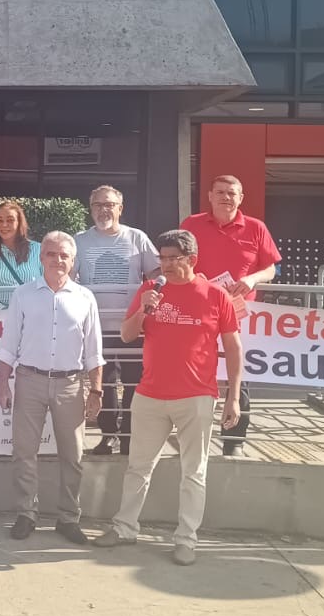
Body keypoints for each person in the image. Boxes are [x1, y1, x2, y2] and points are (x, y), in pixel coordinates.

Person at [93, 229, 243, 566]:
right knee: (138, 467)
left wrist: (233, 397)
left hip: (196, 397)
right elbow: (127, 335)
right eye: (162, 258)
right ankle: (124, 527)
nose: (167, 265)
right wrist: (144, 310)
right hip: (149, 395)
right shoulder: (149, 290)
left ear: (192, 259)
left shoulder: (216, 296)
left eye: (174, 258)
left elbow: (233, 348)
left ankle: (186, 539)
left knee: (193, 471)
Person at [0, 232, 103, 545]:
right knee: (24, 452)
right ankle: (27, 513)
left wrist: (96, 390)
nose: (58, 260)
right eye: (51, 254)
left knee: (73, 455)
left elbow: (94, 350)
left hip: (71, 384)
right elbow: (9, 343)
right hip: (29, 381)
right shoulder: (23, 294)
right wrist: (3, 383)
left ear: (72, 260)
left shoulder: (85, 298)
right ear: (41, 259)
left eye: (64, 255)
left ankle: (69, 518)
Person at [180, 174, 280, 456]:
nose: (226, 197)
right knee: (196, 375)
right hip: (198, 312)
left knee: (237, 378)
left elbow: (271, 270)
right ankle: (193, 440)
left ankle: (233, 442)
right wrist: (193, 275)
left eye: (231, 193)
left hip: (238, 316)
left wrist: (251, 279)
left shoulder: (256, 227)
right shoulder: (192, 224)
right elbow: (177, 259)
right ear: (209, 196)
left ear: (241, 198)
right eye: (220, 192)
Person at [74, 186, 160, 455]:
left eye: (109, 205)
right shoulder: (79, 241)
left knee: (135, 382)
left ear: (120, 208)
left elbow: (158, 272)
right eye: (98, 205)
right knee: (104, 383)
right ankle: (107, 434)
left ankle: (129, 438)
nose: (103, 210)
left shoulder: (137, 238)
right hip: (96, 328)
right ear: (91, 209)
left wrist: (154, 294)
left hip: (134, 326)